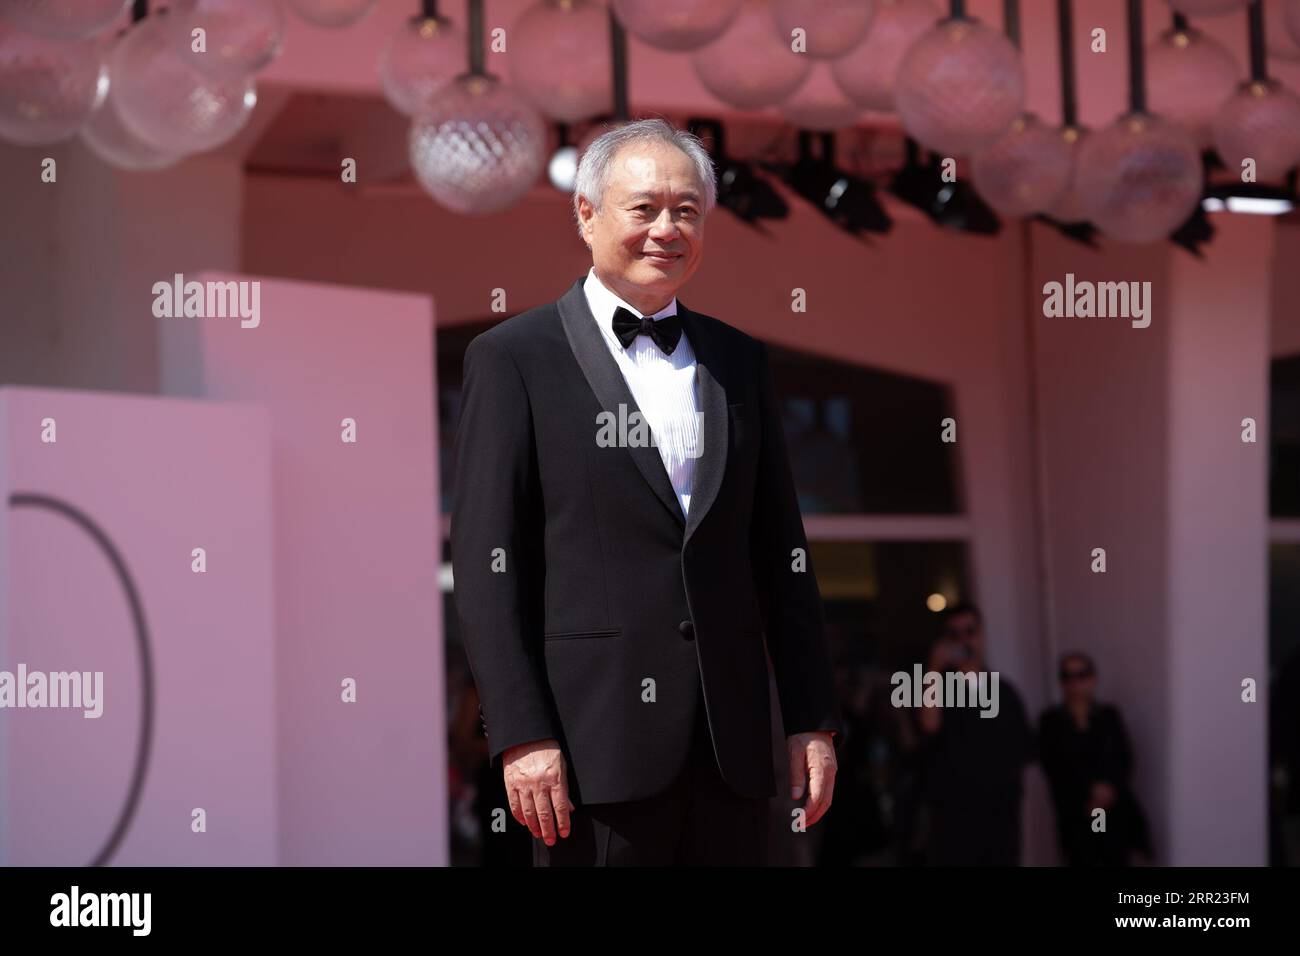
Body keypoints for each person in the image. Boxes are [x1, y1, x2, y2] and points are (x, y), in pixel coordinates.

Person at [450, 118, 844, 866]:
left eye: (688, 210)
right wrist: (522, 733)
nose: (668, 228)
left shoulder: (739, 360)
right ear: (587, 214)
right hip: (586, 756)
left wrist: (811, 717)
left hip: (729, 753)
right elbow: (485, 562)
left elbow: (779, 552)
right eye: (645, 208)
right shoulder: (512, 359)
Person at [914, 601, 1033, 865]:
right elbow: (928, 725)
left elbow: (1023, 749)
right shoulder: (936, 689)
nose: (964, 640)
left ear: (982, 634)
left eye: (970, 631)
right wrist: (934, 667)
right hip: (953, 819)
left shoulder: (1005, 692)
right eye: (954, 635)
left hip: (1000, 817)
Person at [1038, 652, 1152, 866]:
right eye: (1067, 676)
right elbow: (1054, 765)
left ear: (1093, 679)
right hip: (1076, 813)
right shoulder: (1050, 721)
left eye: (1081, 675)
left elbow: (1123, 757)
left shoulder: (1109, 716)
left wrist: (1108, 789)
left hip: (1113, 810)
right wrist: (1089, 792)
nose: (1074, 683)